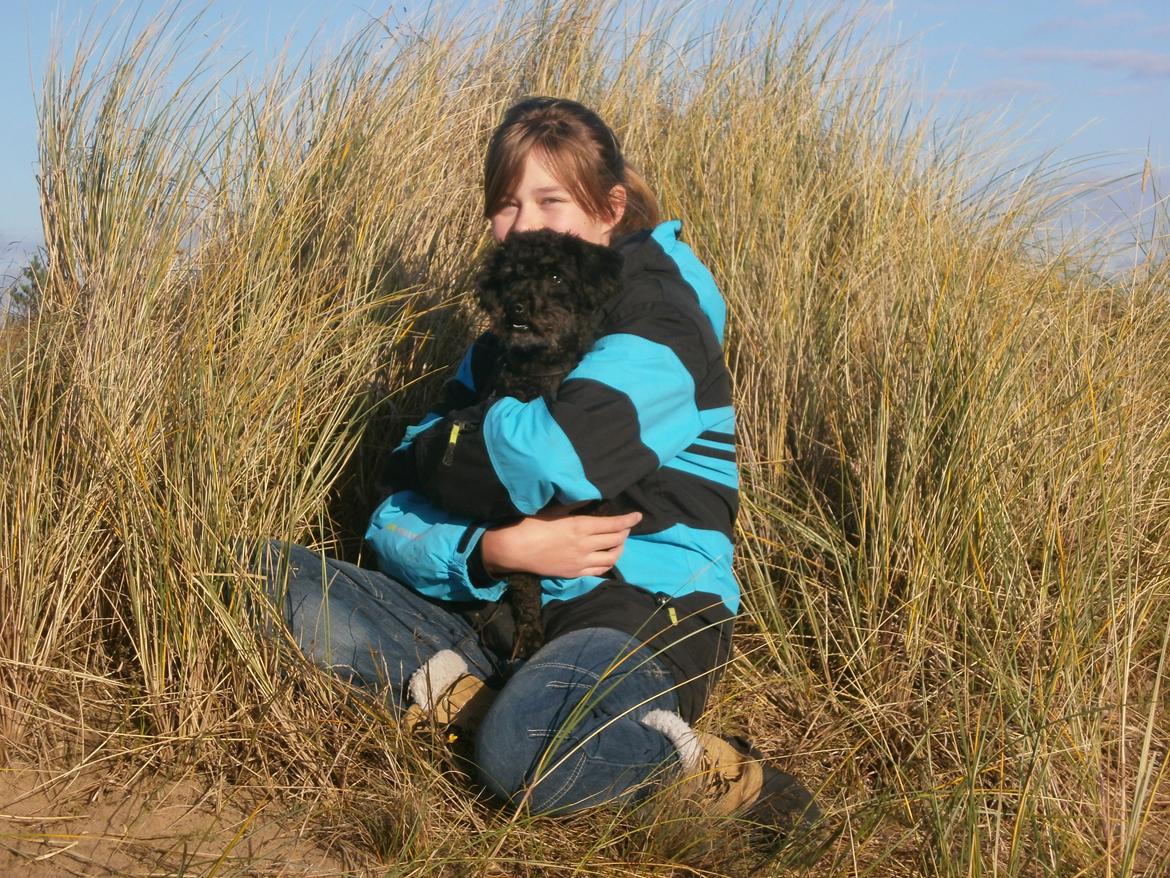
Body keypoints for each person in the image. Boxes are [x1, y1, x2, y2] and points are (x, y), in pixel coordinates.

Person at [261, 97, 819, 838]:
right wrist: (492, 549)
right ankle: (480, 702)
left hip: (637, 608)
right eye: (505, 204)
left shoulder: (663, 320)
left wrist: (435, 450)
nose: (524, 223)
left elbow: (557, 457)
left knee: (530, 751)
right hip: (491, 605)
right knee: (247, 578)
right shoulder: (497, 345)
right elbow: (392, 510)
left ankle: (694, 766)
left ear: (608, 208)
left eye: (550, 200)